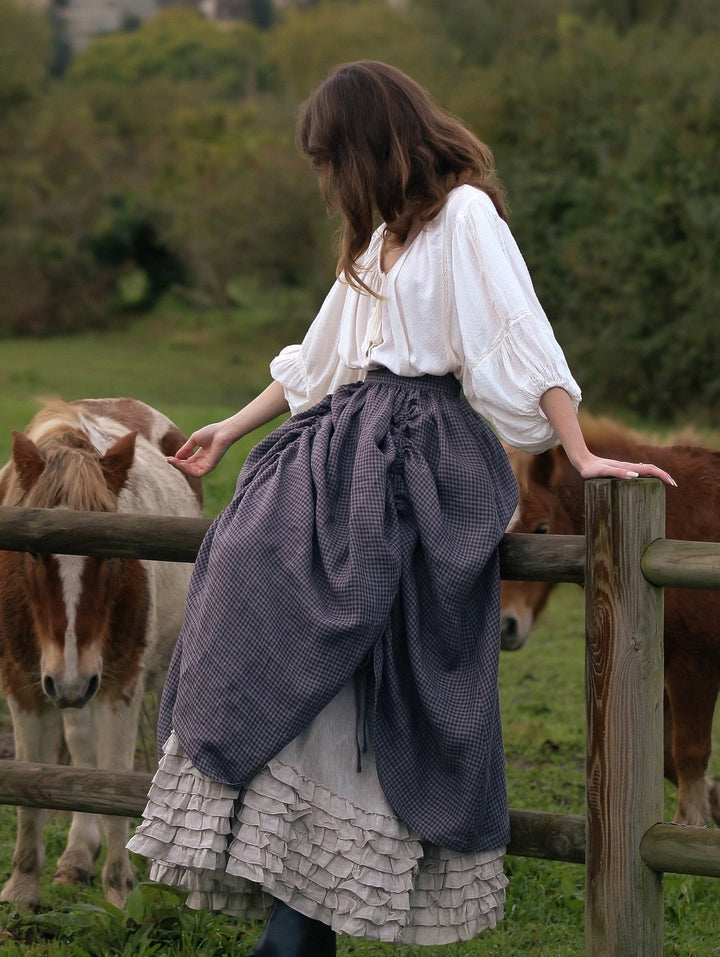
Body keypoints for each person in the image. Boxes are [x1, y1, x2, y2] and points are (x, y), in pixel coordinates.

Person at [127, 61, 675, 955]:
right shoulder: (380, 237)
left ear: (371, 144)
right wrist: (229, 428)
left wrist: (575, 450)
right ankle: (274, 834)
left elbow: (516, 331)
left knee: (350, 623)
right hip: (345, 441)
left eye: (330, 160)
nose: (326, 181)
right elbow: (318, 357)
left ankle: (311, 902)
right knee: (243, 562)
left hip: (416, 453)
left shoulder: (464, 217)